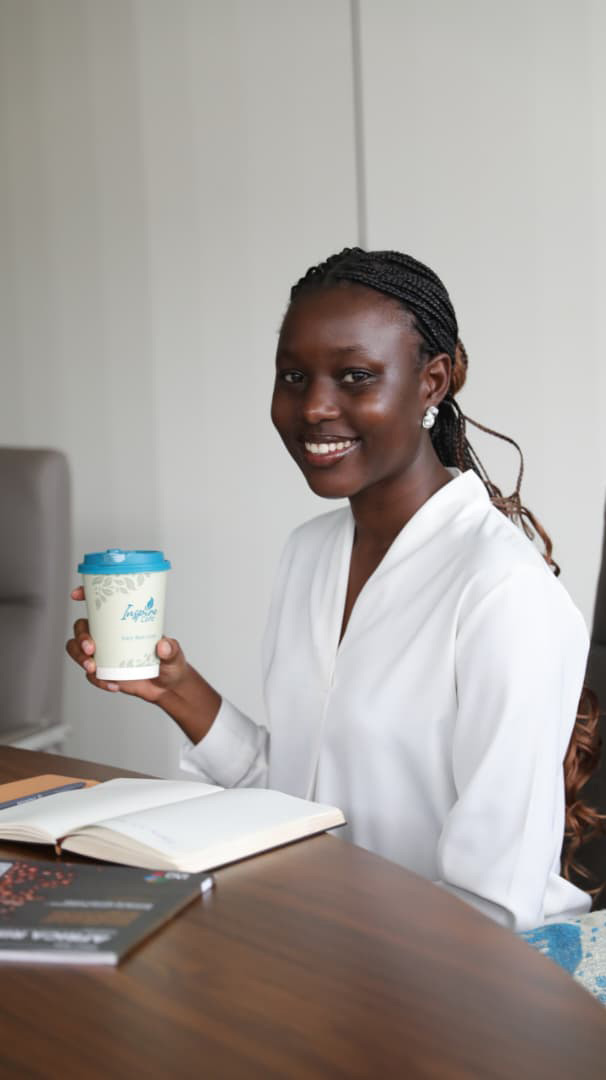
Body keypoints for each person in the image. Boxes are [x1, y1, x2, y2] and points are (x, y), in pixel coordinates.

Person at [67, 247, 602, 933]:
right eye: (294, 376)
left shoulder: (502, 591)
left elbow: (493, 906)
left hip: (471, 969)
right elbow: (300, 802)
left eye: (355, 376)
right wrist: (173, 688)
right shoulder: (310, 553)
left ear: (432, 383)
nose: (315, 407)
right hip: (330, 935)